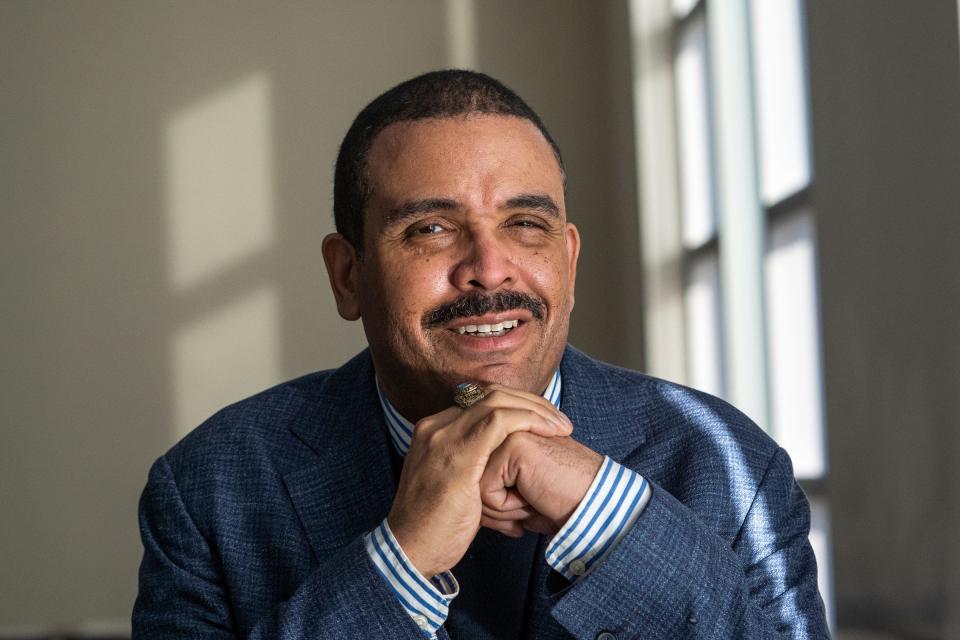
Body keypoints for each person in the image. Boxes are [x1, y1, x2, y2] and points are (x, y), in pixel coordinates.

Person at [133, 70, 829, 639]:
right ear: (349, 276)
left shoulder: (731, 466)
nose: (489, 270)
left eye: (526, 224)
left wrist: (609, 520)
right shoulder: (209, 490)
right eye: (431, 229)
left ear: (569, 262)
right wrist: (396, 563)